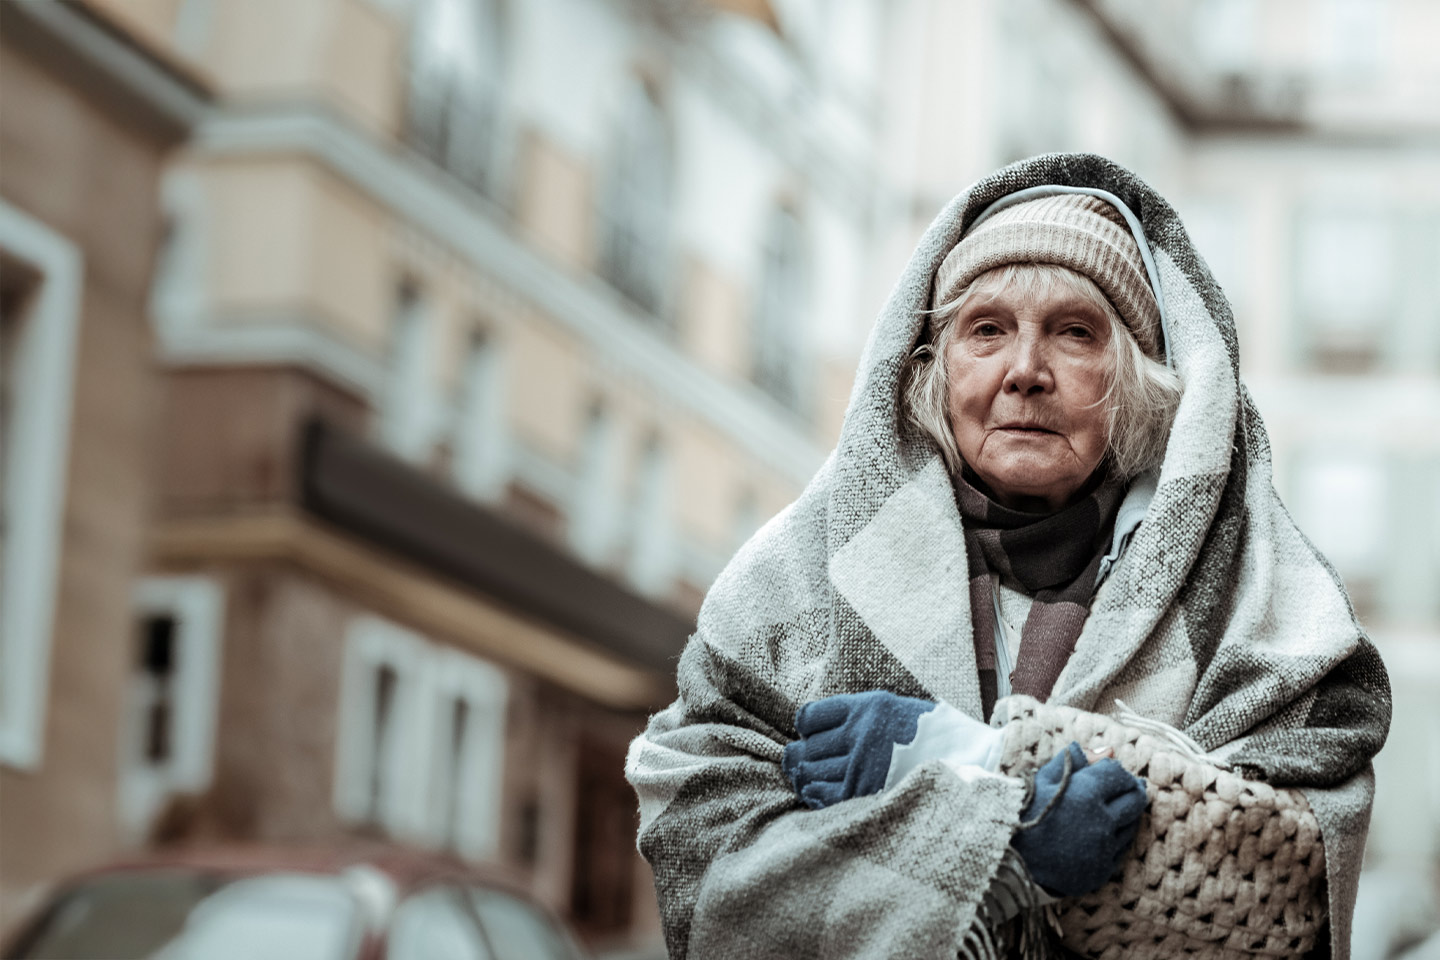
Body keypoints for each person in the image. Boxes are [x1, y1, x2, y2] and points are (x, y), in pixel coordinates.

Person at [625, 153, 1390, 959]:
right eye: (986, 330)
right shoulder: (791, 581)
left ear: (1137, 380)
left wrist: (965, 761)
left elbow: (1286, 882)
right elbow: (703, 849)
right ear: (933, 371)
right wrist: (1003, 849)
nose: (1025, 371)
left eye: (1074, 332)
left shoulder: (1260, 600)